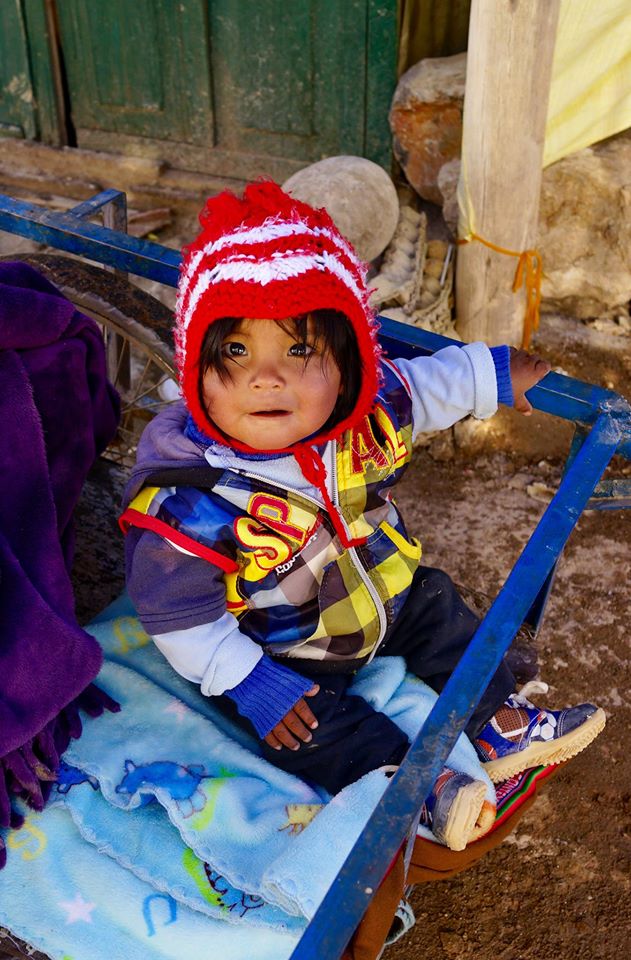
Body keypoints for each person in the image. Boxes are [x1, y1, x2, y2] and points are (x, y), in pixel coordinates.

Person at [121, 181, 605, 850]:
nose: (267, 377)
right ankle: (414, 786)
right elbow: (179, 618)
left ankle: (496, 726)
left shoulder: (365, 407)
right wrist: (249, 679)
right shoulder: (189, 497)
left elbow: (426, 386)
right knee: (306, 728)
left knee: (442, 607)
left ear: (347, 364)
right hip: (285, 650)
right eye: (234, 351)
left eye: (298, 350)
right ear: (195, 364)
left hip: (386, 600)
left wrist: (491, 374)